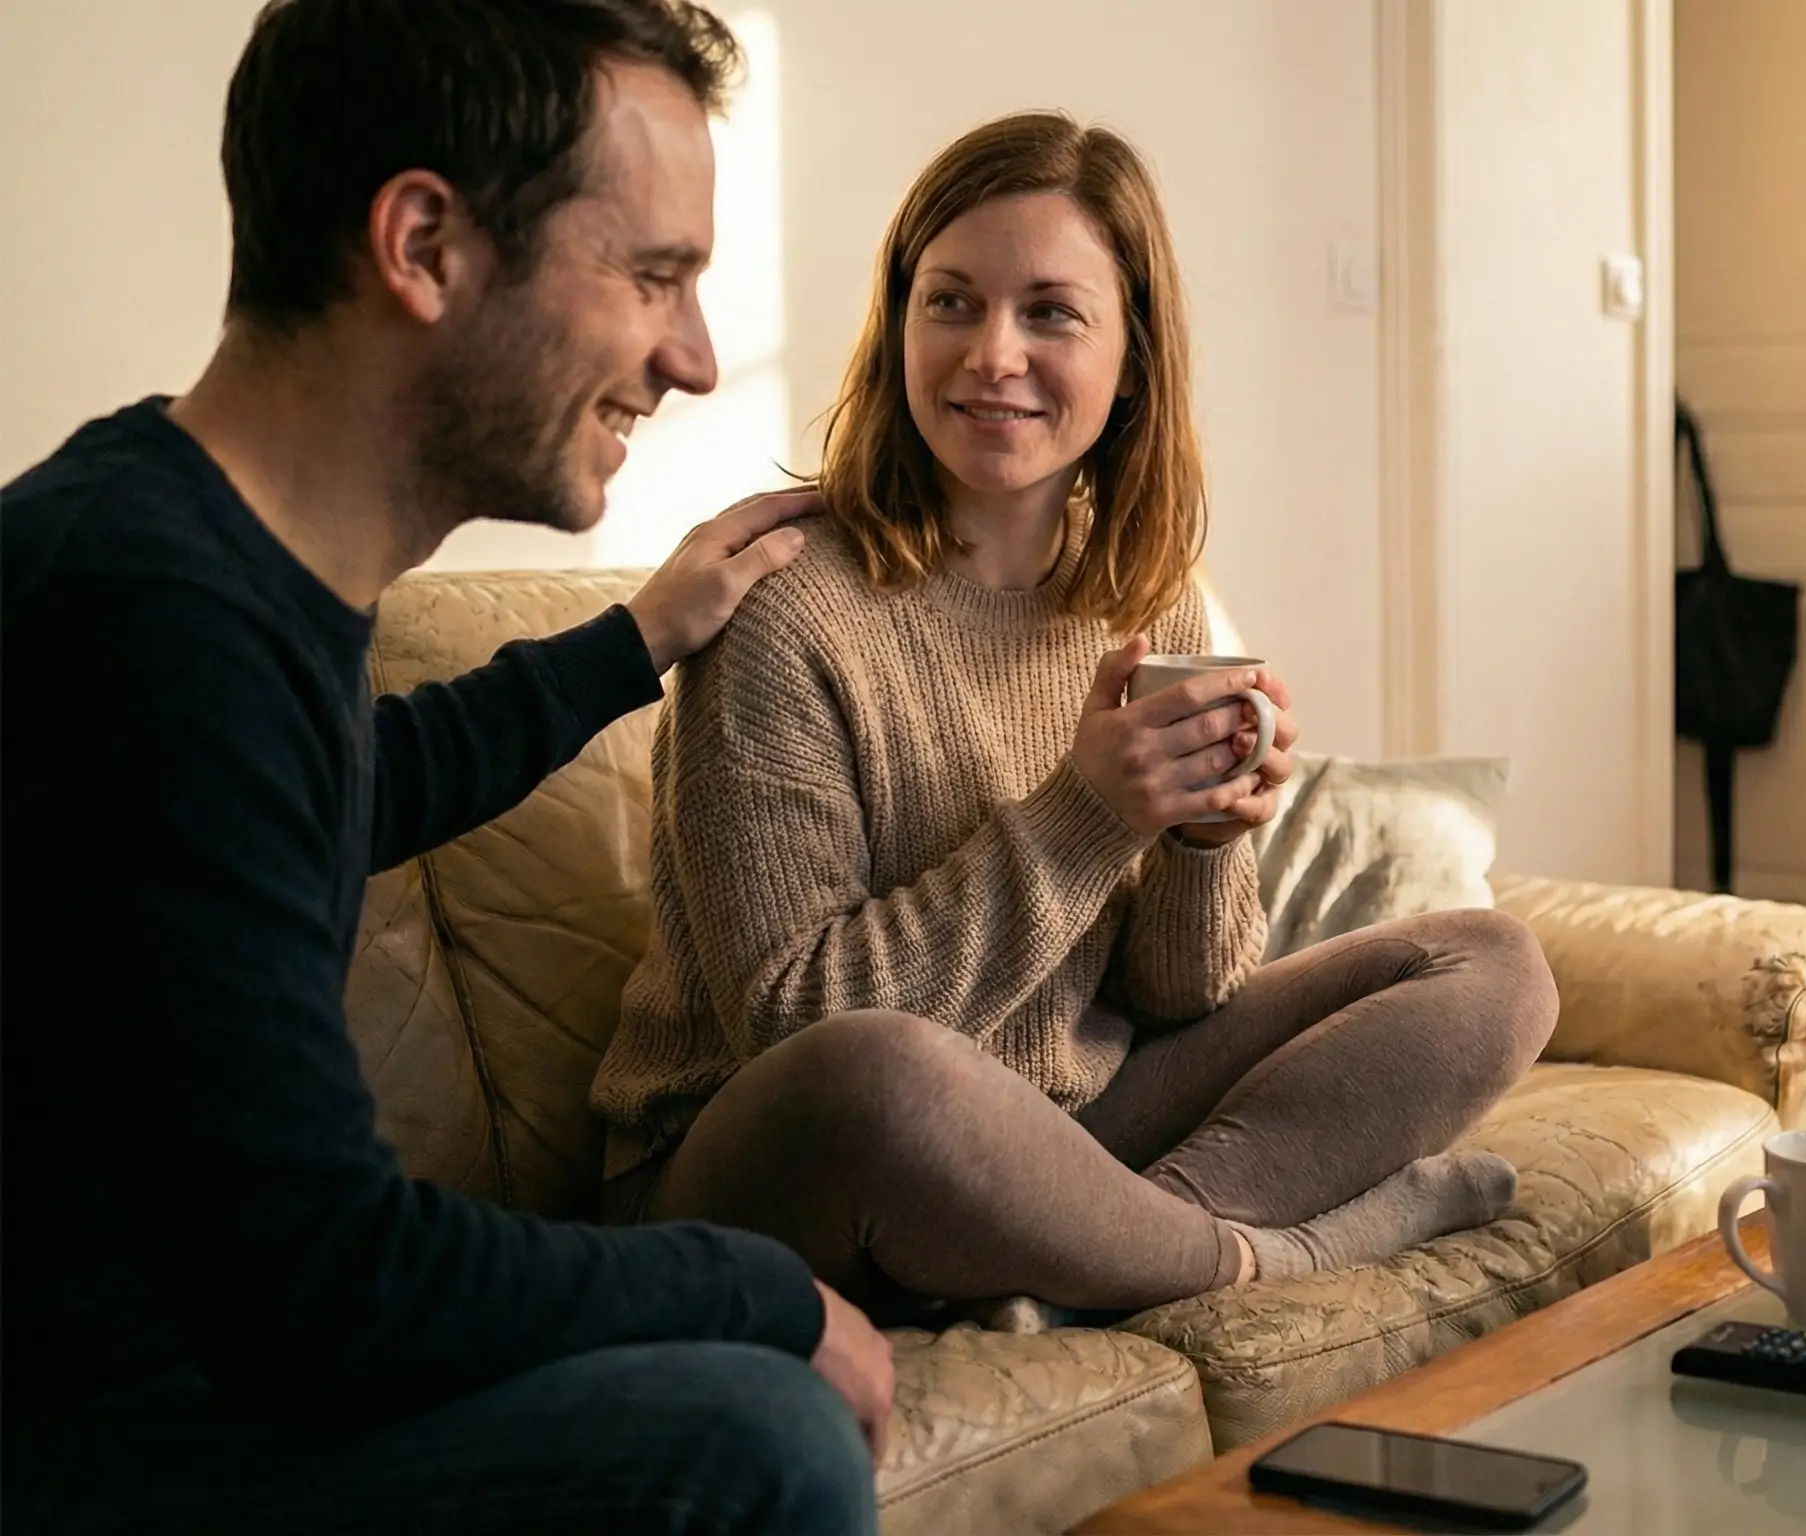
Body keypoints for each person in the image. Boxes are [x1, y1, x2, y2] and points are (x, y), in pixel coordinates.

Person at [2, 2, 891, 1531]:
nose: (686, 354)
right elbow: (322, 1283)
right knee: (751, 1436)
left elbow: (351, 786)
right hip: (78, 1430)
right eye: (654, 274)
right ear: (422, 244)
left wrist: (635, 641)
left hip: (177, 1377)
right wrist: (760, 1286)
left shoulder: (204, 558)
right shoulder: (147, 612)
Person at [589, 111, 1561, 1325]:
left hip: (1065, 1126)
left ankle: (1100, 1254)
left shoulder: (1151, 595)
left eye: (1050, 311)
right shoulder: (786, 607)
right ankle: (1254, 1258)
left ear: (1131, 357)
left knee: (1490, 963)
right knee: (881, 1074)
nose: (992, 354)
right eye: (950, 302)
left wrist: (1205, 844)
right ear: (899, 324)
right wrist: (1086, 815)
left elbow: (1179, 1000)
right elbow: (798, 1028)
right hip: (773, 1162)